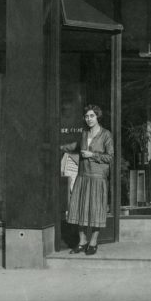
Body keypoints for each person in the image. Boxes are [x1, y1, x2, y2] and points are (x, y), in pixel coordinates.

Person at [61, 104, 114, 256]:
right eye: (86, 116)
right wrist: (59, 147)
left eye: (92, 116)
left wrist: (93, 155)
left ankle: (93, 242)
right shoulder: (84, 133)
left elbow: (110, 157)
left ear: (97, 116)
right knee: (79, 209)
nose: (89, 119)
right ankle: (82, 241)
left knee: (96, 211)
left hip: (98, 178)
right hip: (83, 176)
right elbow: (76, 146)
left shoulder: (106, 135)